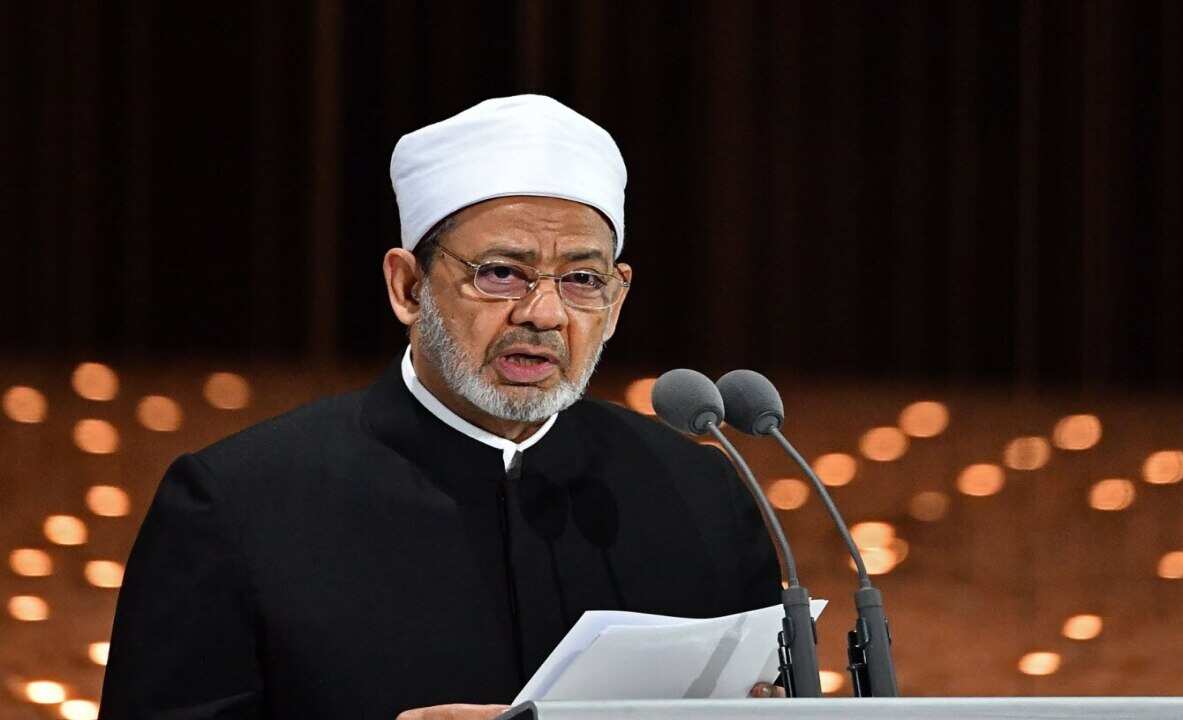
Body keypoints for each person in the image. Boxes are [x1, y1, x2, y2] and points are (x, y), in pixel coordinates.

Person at [100, 95, 780, 720]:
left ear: (617, 298)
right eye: (501, 273)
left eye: (580, 279)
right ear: (407, 286)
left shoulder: (704, 497)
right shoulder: (237, 505)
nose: (543, 314)